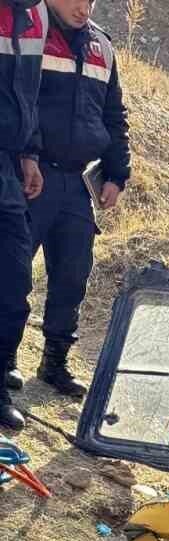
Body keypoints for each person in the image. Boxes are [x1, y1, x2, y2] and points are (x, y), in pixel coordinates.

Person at [16, 0, 128, 399]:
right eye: (77, 0)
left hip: (78, 184)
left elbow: (113, 115)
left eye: (91, 1)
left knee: (72, 276)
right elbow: (18, 99)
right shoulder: (29, 31)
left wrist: (117, 173)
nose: (85, 9)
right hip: (30, 176)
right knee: (13, 273)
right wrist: (26, 154)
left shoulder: (103, 46)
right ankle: (6, 359)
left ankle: (55, 362)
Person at [0, 0, 47, 433]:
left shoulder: (36, 15)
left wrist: (29, 153)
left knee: (14, 284)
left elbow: (28, 94)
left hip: (8, 169)